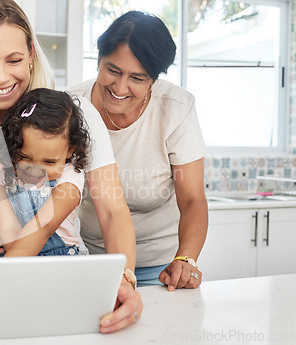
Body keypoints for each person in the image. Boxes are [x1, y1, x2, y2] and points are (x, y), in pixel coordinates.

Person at [0, 0, 142, 333]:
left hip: (51, 282)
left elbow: (112, 209)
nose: (0, 76)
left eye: (13, 59)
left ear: (31, 54)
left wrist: (125, 280)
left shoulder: (72, 116)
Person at [67, 11, 208, 291]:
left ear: (154, 79)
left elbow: (192, 199)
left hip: (161, 269)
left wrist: (185, 259)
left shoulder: (176, 108)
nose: (120, 87)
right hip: (88, 261)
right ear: (98, 61)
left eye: (138, 78)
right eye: (113, 70)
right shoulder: (70, 108)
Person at [0, 88, 90, 257]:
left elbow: (43, 228)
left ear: (70, 150)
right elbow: (8, 230)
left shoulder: (71, 174)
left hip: (63, 260)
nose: (36, 170)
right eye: (23, 157)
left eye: (49, 162)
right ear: (12, 142)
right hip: (14, 253)